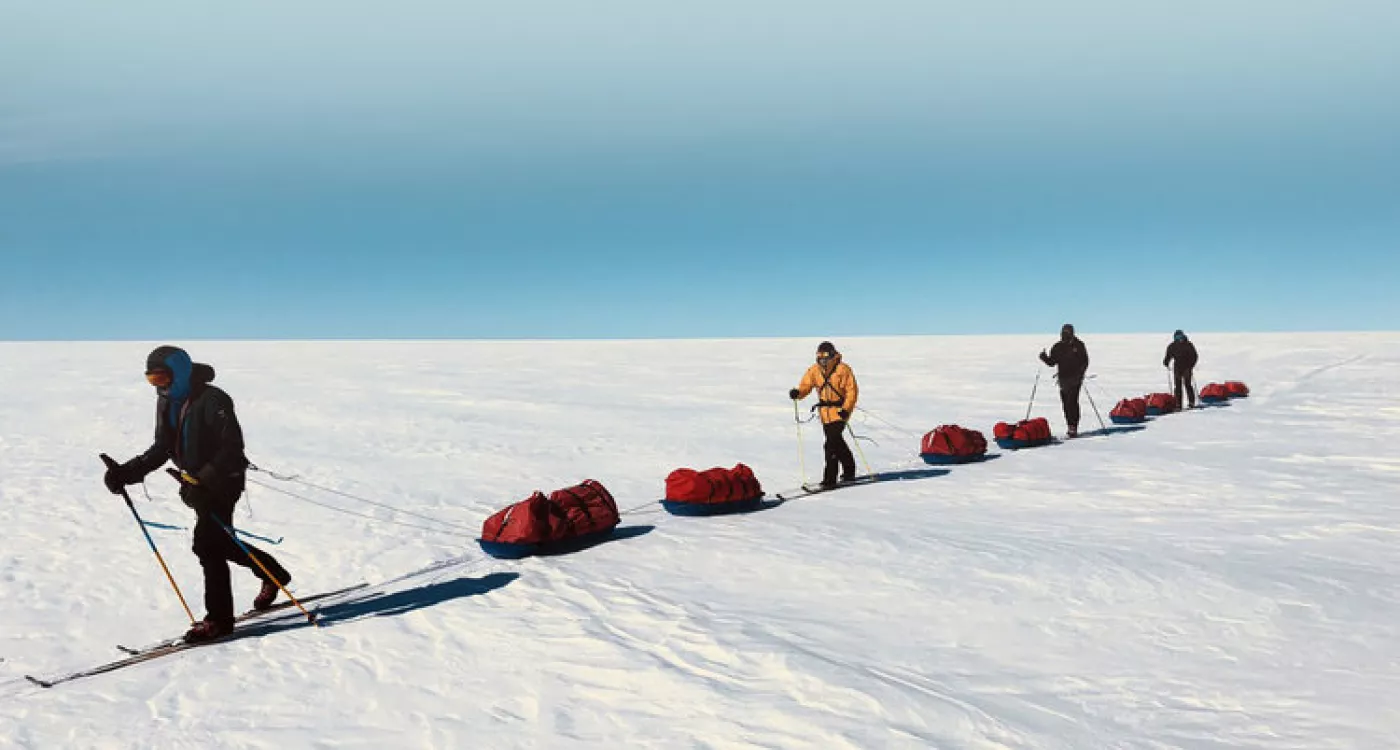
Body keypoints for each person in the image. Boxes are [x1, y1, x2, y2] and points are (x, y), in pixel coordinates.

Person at [103, 345, 291, 643]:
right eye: (152, 380)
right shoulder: (166, 402)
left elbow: (232, 449)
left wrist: (205, 481)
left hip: (223, 481)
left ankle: (219, 620)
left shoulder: (213, 399)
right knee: (221, 541)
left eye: (162, 378)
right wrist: (126, 472)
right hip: (195, 485)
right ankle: (273, 574)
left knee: (207, 545)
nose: (158, 385)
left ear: (179, 372)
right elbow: (162, 447)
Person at [789, 342, 860, 488]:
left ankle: (830, 479)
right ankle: (849, 470)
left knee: (830, 445)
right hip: (825, 414)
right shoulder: (814, 370)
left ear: (833, 356)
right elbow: (806, 386)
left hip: (840, 411)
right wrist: (798, 393)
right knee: (837, 442)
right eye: (820, 358)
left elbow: (852, 391)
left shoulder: (843, 370)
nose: (823, 361)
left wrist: (846, 409)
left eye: (826, 358)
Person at [1039, 324, 1090, 437]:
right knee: (1066, 404)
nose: (1065, 335)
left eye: (1067, 332)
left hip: (1075, 380)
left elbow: (1085, 361)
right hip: (1063, 380)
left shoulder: (1079, 345)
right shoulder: (1058, 346)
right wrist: (1044, 358)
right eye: (1064, 332)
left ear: (1072, 333)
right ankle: (1070, 426)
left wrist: (1080, 373)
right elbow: (1052, 362)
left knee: (1072, 402)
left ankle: (1073, 426)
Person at [1162, 329, 1199, 409]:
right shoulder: (1172, 345)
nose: (1179, 338)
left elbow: (1194, 356)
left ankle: (1191, 403)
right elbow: (1168, 355)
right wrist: (1166, 361)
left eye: (1180, 336)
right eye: (1177, 336)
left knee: (1187, 384)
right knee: (1178, 386)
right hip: (1177, 367)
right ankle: (1178, 404)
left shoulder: (1188, 344)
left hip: (1187, 367)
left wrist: (1191, 365)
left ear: (1183, 336)